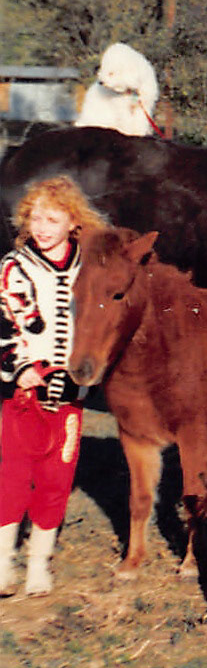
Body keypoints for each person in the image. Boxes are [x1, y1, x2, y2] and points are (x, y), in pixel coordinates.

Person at [0, 177, 107, 596]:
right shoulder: (14, 267)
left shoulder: (89, 269)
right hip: (25, 392)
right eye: (36, 218)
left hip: (69, 395)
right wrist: (20, 367)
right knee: (13, 476)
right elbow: (6, 324)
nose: (42, 228)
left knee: (56, 479)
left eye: (53, 219)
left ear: (73, 222)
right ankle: (3, 561)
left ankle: (39, 563)